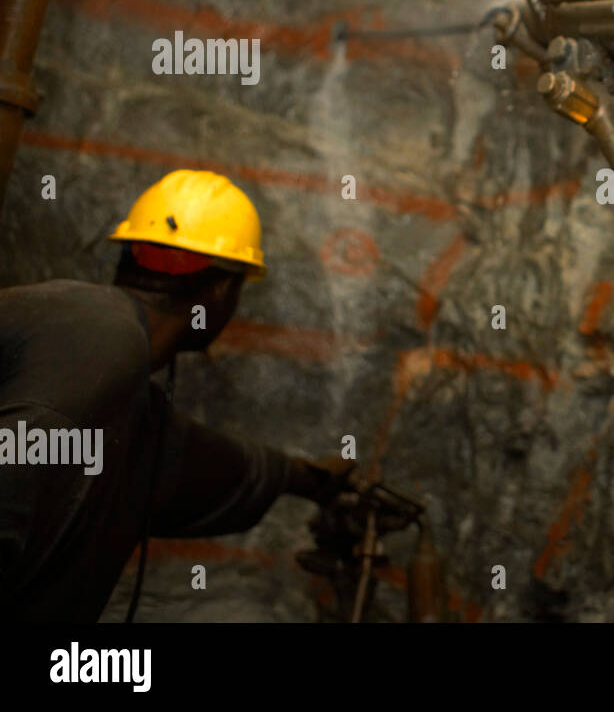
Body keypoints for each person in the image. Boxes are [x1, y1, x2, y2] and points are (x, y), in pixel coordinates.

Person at [0, 169, 353, 621]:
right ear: (224, 289)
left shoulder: (105, 359)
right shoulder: (103, 346)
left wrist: (307, 478)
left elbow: (203, 463)